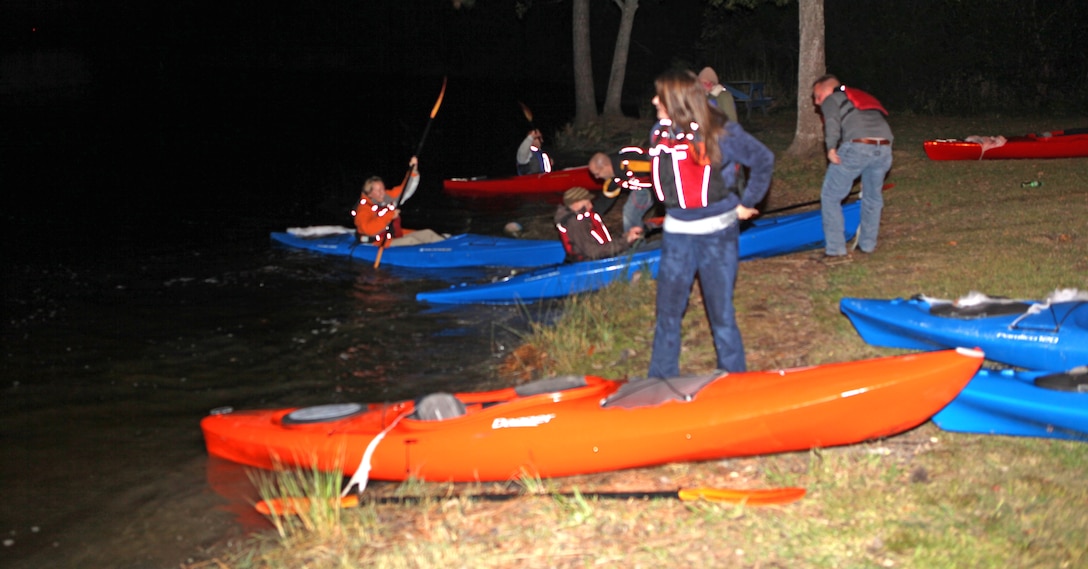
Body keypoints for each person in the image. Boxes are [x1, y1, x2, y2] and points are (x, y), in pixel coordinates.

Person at [646, 69, 774, 379]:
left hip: (718, 236)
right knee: (668, 314)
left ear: (676, 100)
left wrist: (748, 203)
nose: (653, 101)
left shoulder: (721, 131)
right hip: (677, 236)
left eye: (659, 96)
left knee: (722, 315)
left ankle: (734, 379)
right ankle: (661, 379)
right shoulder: (660, 132)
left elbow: (763, 159)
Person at [812, 74, 893, 260]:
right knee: (872, 198)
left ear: (826, 90)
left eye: (817, 96)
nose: (817, 103)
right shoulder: (858, 97)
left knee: (830, 196)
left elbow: (831, 123)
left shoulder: (832, 99)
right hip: (885, 148)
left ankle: (835, 250)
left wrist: (831, 147)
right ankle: (867, 246)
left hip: (858, 146)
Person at [351, 156, 444, 246]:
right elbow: (369, 230)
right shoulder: (363, 209)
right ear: (370, 193)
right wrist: (390, 215)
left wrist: (413, 170)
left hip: (394, 236)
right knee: (411, 241)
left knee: (428, 233)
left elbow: (405, 189)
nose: (382, 193)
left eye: (383, 189)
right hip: (378, 242)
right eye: (378, 190)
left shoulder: (388, 197)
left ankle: (449, 246)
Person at [554, 186, 642, 262]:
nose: (591, 206)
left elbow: (601, 242)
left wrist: (626, 237)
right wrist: (625, 241)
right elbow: (592, 252)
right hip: (593, 263)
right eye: (588, 202)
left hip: (602, 257)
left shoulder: (584, 219)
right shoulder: (575, 224)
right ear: (576, 204)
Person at [588, 147, 655, 235]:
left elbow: (662, 168)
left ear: (605, 166)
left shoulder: (633, 163)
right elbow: (605, 199)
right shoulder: (613, 178)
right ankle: (635, 243)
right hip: (644, 188)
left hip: (665, 183)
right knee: (630, 211)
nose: (597, 177)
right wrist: (590, 218)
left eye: (597, 173)